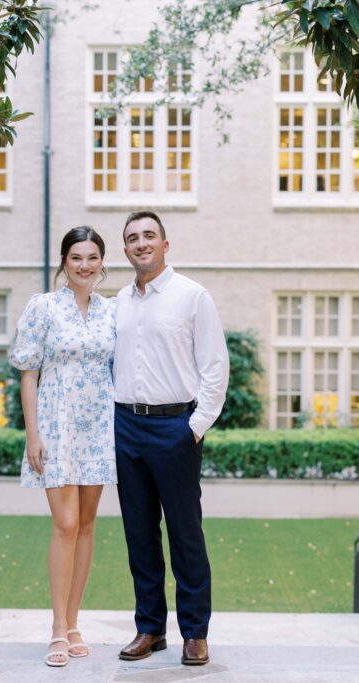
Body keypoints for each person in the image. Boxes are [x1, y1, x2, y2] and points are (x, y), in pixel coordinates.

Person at [113, 210, 229, 666]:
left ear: (165, 244)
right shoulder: (119, 301)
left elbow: (215, 366)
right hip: (126, 427)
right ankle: (149, 629)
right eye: (132, 238)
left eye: (149, 235)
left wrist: (196, 426)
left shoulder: (192, 296)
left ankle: (195, 632)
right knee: (138, 534)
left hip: (175, 428)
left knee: (185, 534)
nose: (141, 243)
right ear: (125, 250)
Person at [9, 226, 117, 668]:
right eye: (77, 258)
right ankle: (56, 626)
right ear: (64, 263)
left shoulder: (113, 311)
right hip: (55, 425)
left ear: (102, 263)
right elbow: (28, 372)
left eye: (92, 257)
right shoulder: (44, 307)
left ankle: (74, 623)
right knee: (65, 523)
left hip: (99, 427)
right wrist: (33, 434)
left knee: (88, 524)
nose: (85, 265)